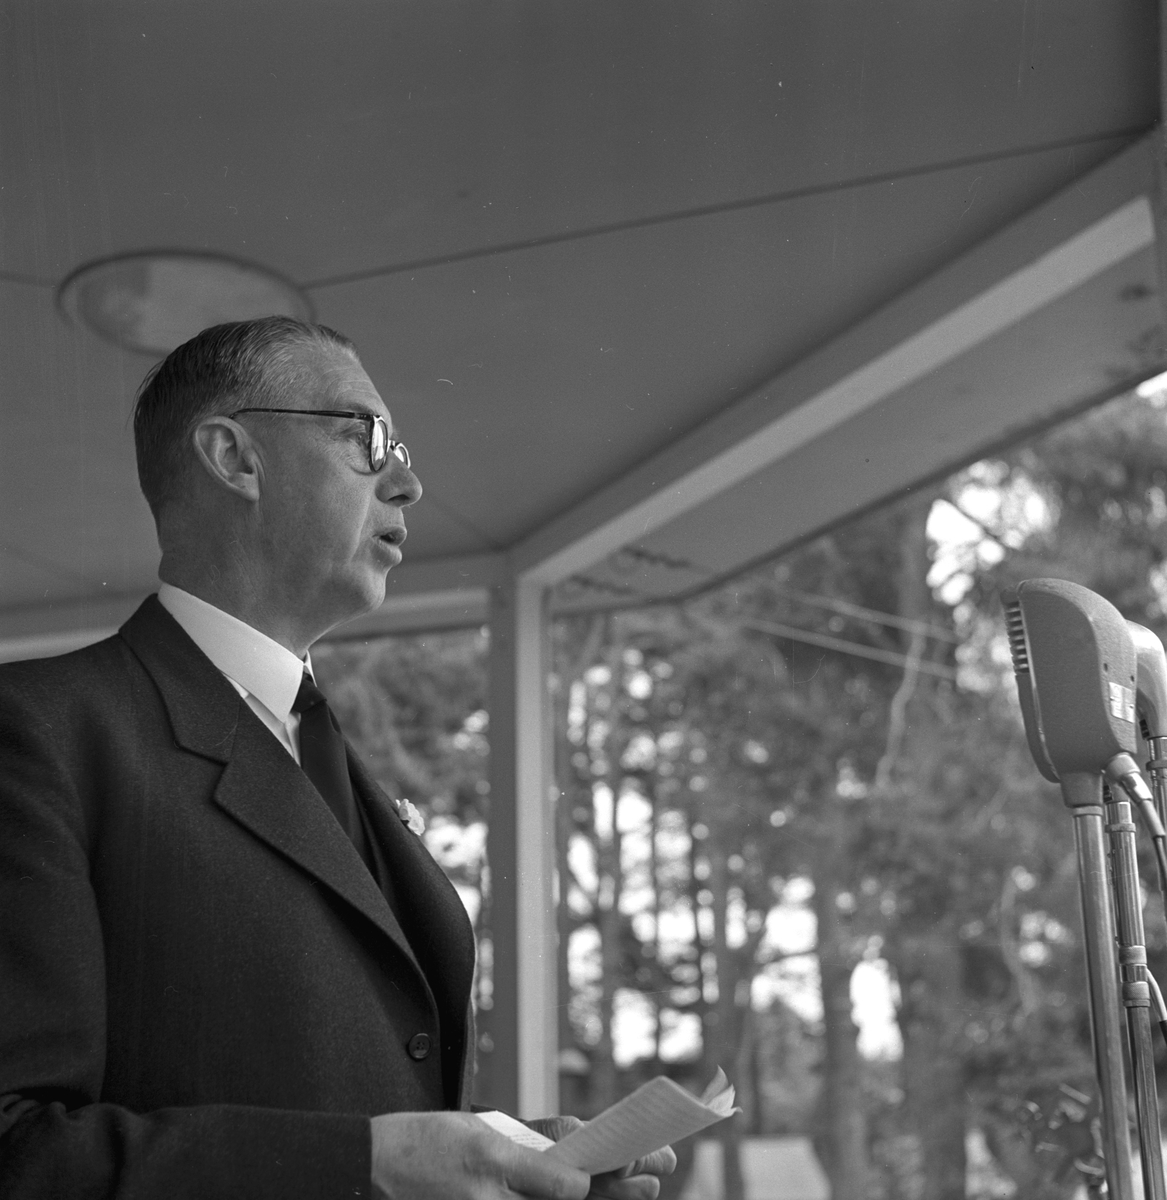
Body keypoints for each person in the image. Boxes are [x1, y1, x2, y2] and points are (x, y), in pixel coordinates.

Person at [0, 317, 675, 1198]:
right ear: (234, 458)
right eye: (369, 438)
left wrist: (504, 1159)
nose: (409, 482)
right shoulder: (38, 732)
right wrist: (368, 1167)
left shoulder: (321, 756)